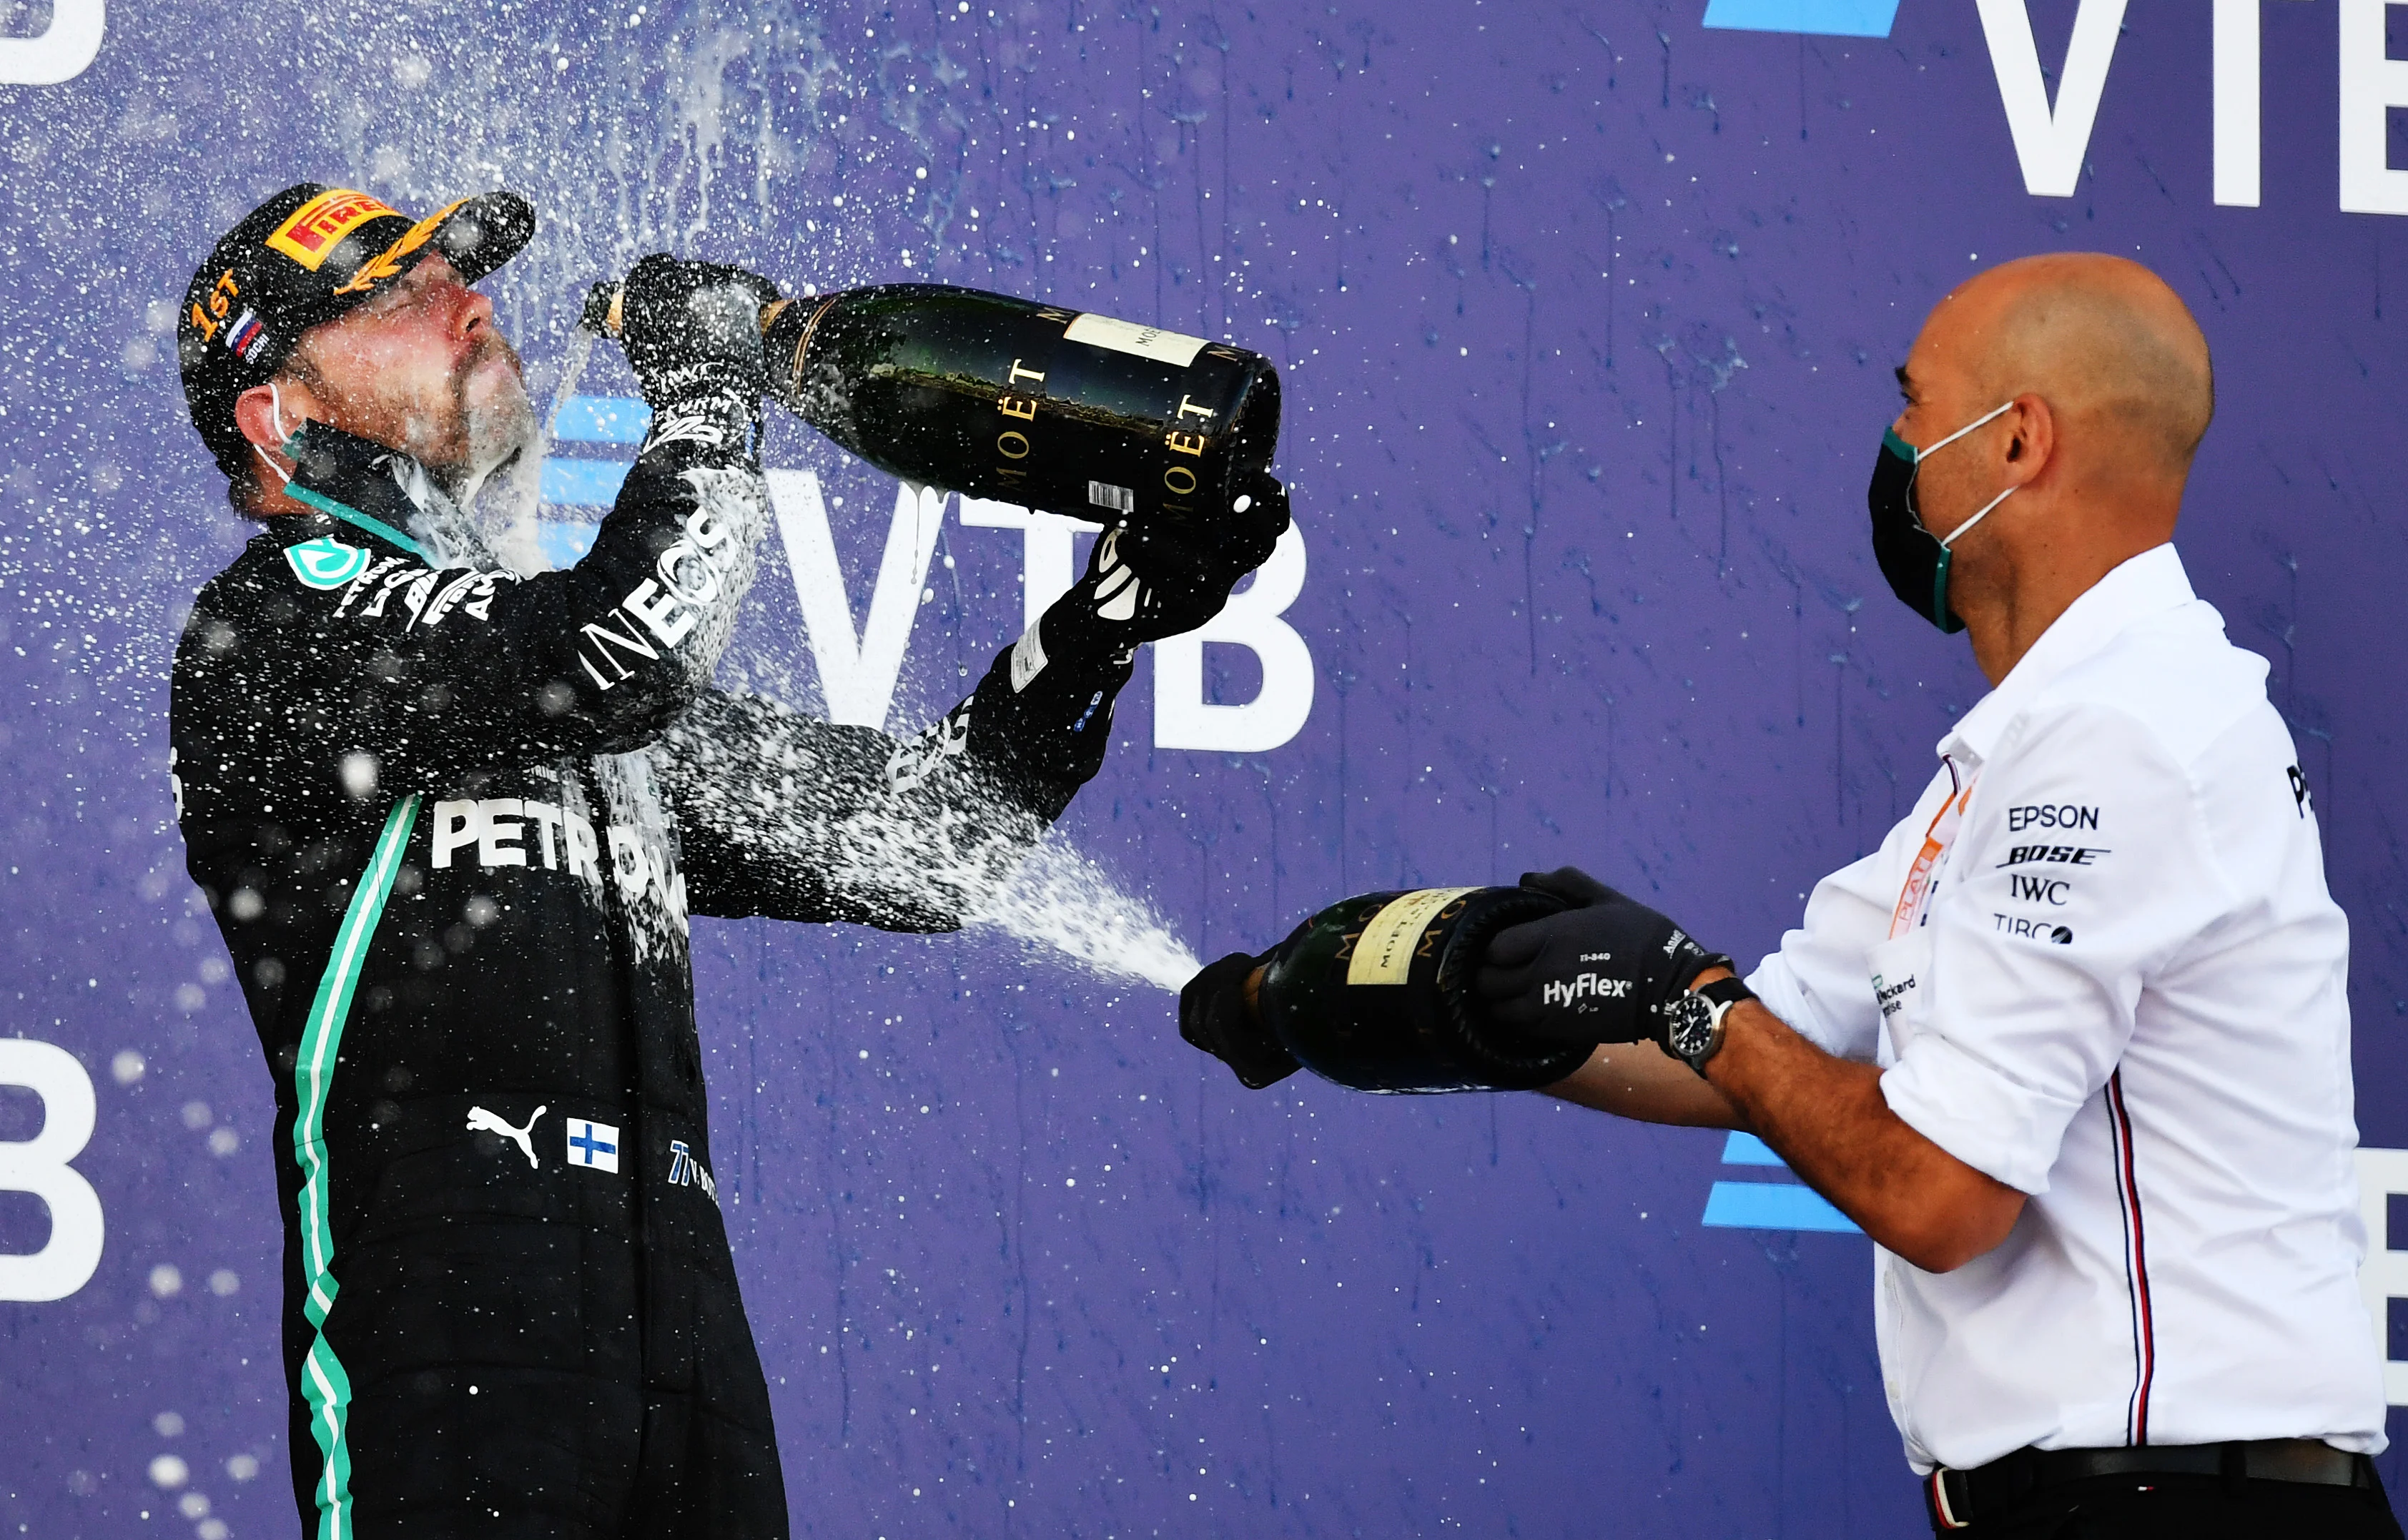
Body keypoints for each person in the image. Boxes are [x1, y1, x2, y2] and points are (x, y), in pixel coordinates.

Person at [1181, 253, 2397, 1537]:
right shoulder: (2029, 751)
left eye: (1916, 403)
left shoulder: (2124, 735)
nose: (1897, 443)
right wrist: (1481, 1004)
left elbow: (1936, 1191)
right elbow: (1770, 1043)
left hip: (2181, 1503)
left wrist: (1687, 997)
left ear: (2019, 441)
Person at [172, 183, 1283, 1540]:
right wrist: (706, 397)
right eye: (400, 296)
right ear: (277, 414)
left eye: (460, 274)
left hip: (691, 1371)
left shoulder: (542, 678)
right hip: (454, 1366)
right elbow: (622, 651)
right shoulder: (273, 636)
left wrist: (1109, 618)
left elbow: (930, 841)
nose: (468, 305)